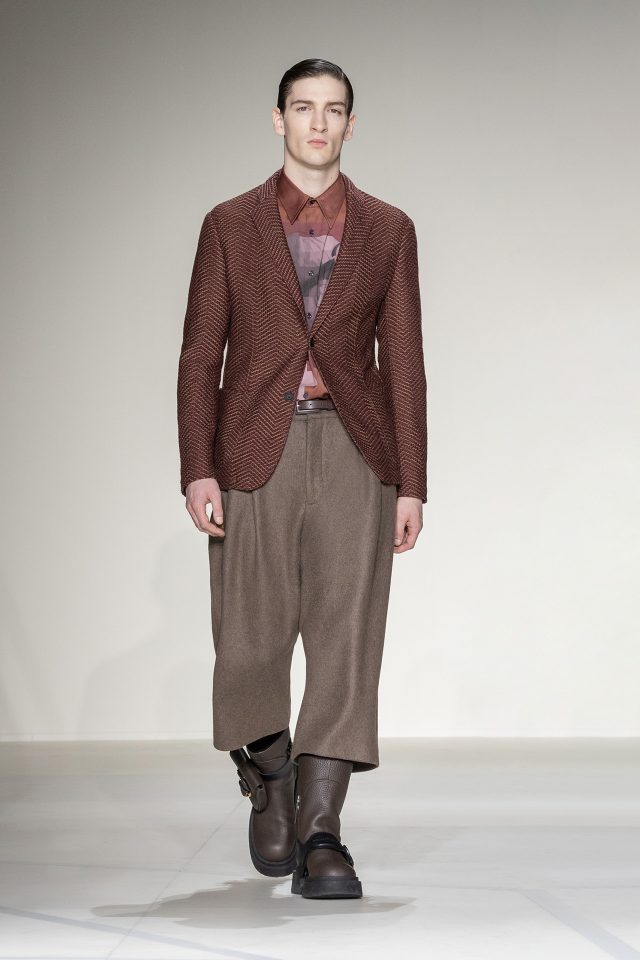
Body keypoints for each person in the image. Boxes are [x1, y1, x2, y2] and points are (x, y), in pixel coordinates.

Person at [177, 58, 427, 899]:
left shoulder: (389, 229)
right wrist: (198, 466)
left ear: (352, 124)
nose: (318, 123)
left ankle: (323, 832)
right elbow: (199, 355)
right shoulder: (228, 224)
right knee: (247, 641)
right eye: (303, 107)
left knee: (346, 640)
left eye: (334, 109)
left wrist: (413, 482)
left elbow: (404, 363)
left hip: (357, 451)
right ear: (278, 119)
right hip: (255, 447)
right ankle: (270, 777)